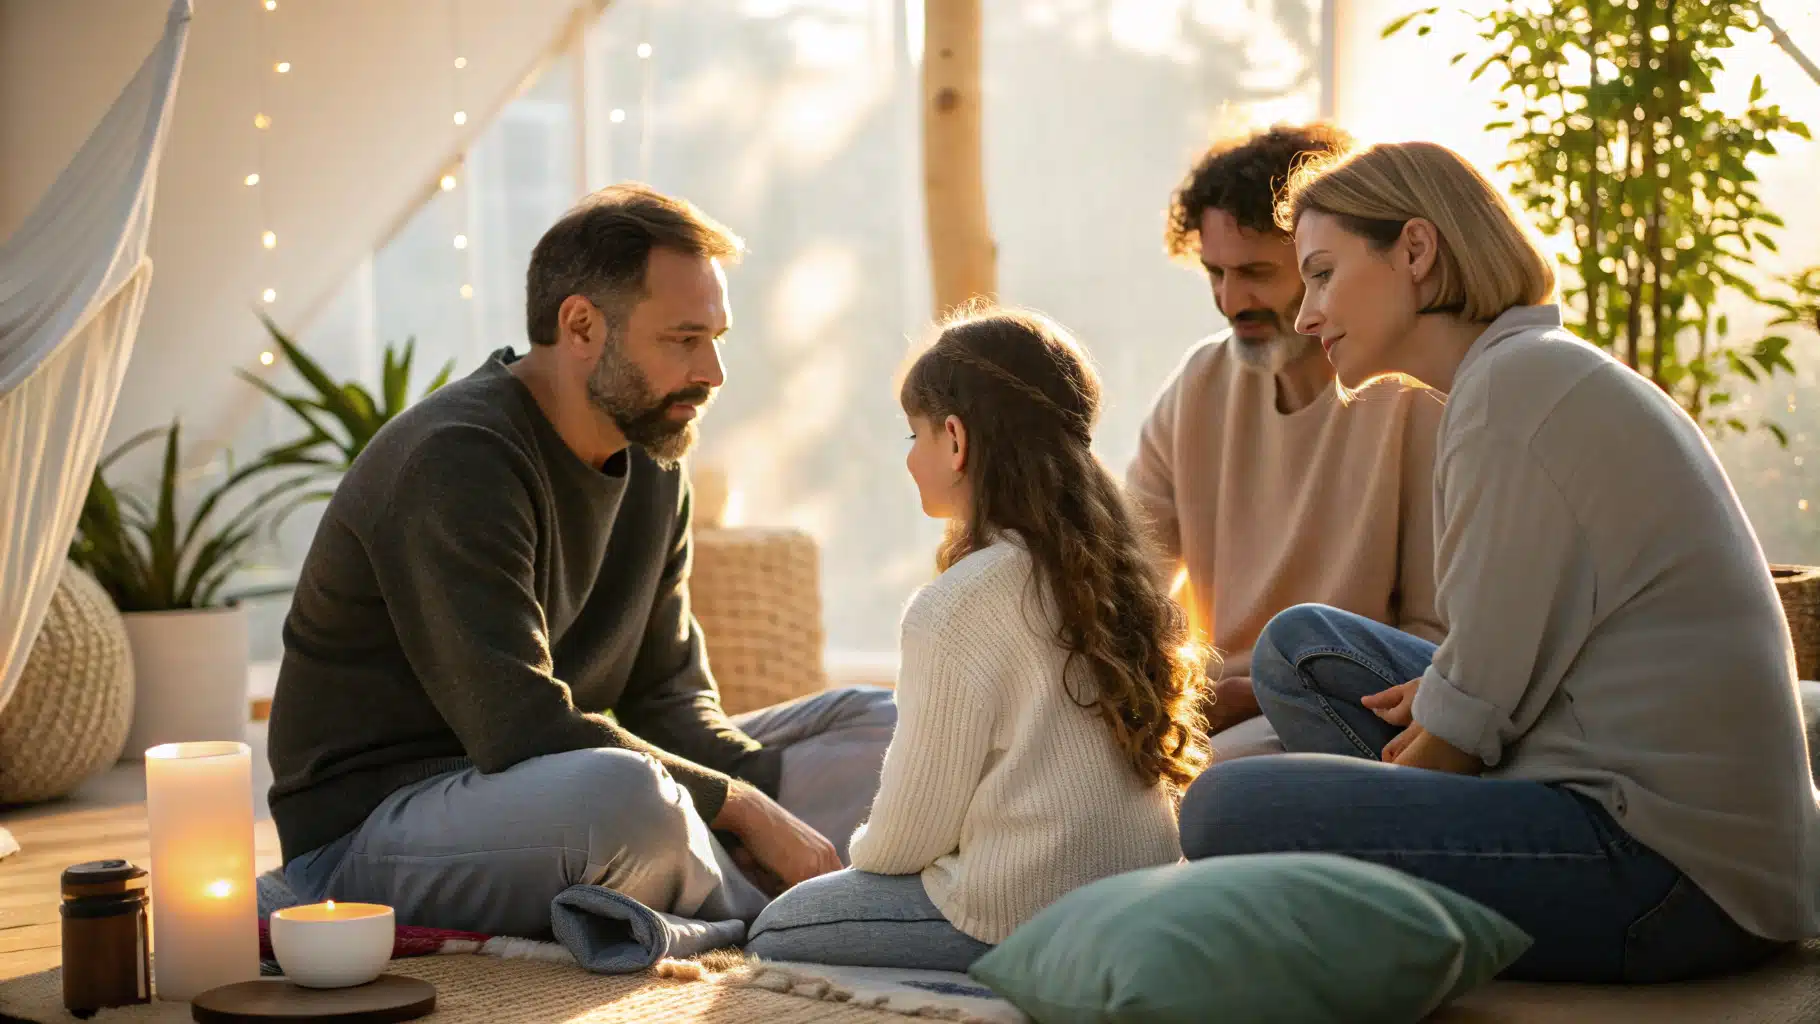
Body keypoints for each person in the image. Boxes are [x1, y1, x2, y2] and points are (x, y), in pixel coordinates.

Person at [1177, 140, 1820, 983]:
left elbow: (1456, 742)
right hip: (1628, 788)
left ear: (1415, 251)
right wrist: (1449, 706)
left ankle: (1395, 911)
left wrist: (1440, 724)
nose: (1305, 314)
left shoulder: (1508, 402)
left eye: (1325, 274)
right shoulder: (1525, 375)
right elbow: (1486, 676)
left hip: (1671, 877)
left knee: (1225, 806)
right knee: (1301, 649)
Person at [266, 184, 897, 938]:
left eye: (717, 337)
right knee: (625, 801)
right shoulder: (457, 459)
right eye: (683, 339)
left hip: (550, 798)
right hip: (376, 831)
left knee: (884, 730)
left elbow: (670, 700)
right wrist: (747, 809)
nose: (714, 373)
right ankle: (804, 920)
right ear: (581, 325)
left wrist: (756, 792)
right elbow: (518, 727)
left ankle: (733, 892)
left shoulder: (657, 460)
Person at [744, 308, 1210, 970]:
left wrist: (855, 858)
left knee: (776, 929)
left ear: (955, 440)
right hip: (1141, 898)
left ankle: (997, 985)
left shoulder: (954, 605)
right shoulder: (1118, 573)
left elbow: (907, 840)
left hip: (1016, 913)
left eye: (914, 434)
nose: (909, 456)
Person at [1130, 124, 1446, 745]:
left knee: (1192, 801)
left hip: (1358, 713)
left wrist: (1263, 692)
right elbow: (1124, 577)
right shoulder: (1199, 385)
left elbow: (1435, 641)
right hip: (1214, 711)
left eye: (1255, 273)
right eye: (1214, 272)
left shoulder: (1414, 394)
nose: (1229, 300)